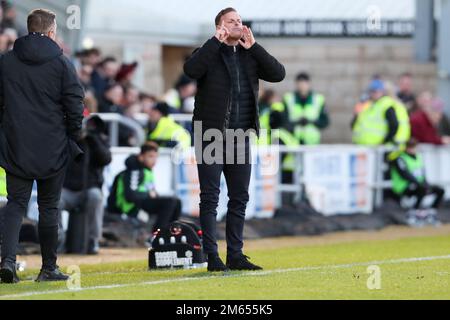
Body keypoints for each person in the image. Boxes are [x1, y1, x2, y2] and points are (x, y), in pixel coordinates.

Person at [184, 7, 285, 272]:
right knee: (210, 198)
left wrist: (255, 47)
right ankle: (212, 256)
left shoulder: (249, 55)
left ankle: (236, 255)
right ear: (219, 26)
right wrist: (215, 42)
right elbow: (191, 70)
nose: (238, 24)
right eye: (232, 21)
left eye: (240, 20)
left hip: (241, 136)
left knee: (239, 197)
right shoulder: (208, 52)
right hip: (210, 135)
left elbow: (278, 74)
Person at [0, 9, 84, 283]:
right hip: (52, 144)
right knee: (49, 207)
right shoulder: (61, 63)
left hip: (15, 143)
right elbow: (74, 103)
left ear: (28, 28)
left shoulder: (6, 61)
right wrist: (73, 135)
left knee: (15, 204)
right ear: (51, 31)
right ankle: (48, 267)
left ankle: (8, 263)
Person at [59, 116, 112, 255]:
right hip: (68, 190)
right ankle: (57, 239)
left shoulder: (97, 141)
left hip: (89, 189)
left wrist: (92, 139)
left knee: (96, 196)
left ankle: (93, 240)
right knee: (55, 201)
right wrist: (74, 136)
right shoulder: (67, 139)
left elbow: (106, 158)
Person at [107, 142, 181, 232]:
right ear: (141, 157)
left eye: (155, 157)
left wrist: (152, 194)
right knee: (170, 202)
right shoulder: (134, 170)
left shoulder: (147, 171)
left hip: (142, 202)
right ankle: (156, 235)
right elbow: (130, 196)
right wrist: (148, 194)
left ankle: (171, 233)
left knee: (177, 202)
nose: (154, 160)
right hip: (131, 207)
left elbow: (150, 191)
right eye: (150, 156)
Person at [390, 138, 444, 226]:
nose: (413, 149)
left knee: (440, 190)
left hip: (418, 185)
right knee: (421, 189)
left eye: (414, 147)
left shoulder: (418, 157)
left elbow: (422, 174)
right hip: (403, 187)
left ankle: (431, 213)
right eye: (411, 147)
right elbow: (404, 174)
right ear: (406, 148)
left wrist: (425, 183)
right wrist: (420, 183)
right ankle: (413, 214)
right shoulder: (400, 158)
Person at [352, 79, 410, 148]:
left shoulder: (386, 104)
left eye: (375, 91)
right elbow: (356, 124)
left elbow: (394, 125)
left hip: (389, 147)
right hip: (371, 146)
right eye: (371, 91)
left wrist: (385, 142)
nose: (372, 94)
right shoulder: (372, 105)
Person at [283, 72, 329, 145]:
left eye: (304, 83)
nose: (302, 86)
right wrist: (295, 123)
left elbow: (325, 121)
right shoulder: (288, 98)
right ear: (296, 84)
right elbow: (283, 120)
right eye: (300, 83)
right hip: (292, 141)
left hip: (312, 143)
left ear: (309, 83)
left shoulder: (318, 99)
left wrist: (311, 122)